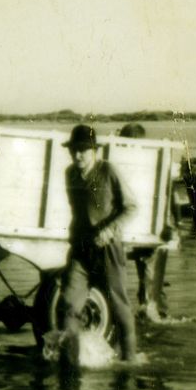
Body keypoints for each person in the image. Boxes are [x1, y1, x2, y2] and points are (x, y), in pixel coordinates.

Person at [60, 124, 139, 361]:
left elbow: (131, 207)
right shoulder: (70, 174)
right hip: (81, 248)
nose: (78, 155)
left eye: (83, 150)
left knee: (118, 304)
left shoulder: (108, 171)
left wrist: (109, 230)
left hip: (108, 248)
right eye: (74, 150)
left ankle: (130, 361)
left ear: (95, 151)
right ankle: (70, 365)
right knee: (69, 303)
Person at [118, 122, 178, 321]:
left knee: (149, 278)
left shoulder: (120, 160)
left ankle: (153, 315)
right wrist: (175, 224)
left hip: (142, 230)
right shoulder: (153, 160)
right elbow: (170, 195)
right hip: (151, 229)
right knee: (150, 278)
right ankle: (155, 315)